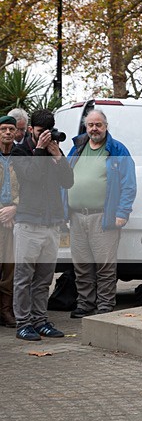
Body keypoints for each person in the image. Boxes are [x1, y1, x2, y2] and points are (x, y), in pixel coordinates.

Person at [64, 109, 136, 318]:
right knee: (82, 264)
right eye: (90, 125)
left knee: (105, 265)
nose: (94, 129)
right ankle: (85, 304)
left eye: (99, 125)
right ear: (86, 127)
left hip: (103, 216)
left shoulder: (117, 149)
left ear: (106, 126)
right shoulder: (77, 148)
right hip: (77, 216)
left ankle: (104, 304)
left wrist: (122, 212)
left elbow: (129, 184)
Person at [11, 109, 74, 341]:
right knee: (23, 277)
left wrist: (58, 157)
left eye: (47, 133)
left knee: (44, 279)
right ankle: (23, 323)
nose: (45, 137)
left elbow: (68, 182)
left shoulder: (53, 150)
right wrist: (39, 150)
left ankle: (40, 320)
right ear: (30, 130)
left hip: (52, 223)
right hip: (28, 223)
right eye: (39, 133)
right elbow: (32, 177)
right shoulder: (20, 150)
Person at [0, 116, 19, 327]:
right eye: (3, 128)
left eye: (11, 129)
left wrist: (14, 208)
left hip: (14, 220)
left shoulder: (20, 156)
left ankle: (6, 310)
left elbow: (29, 187)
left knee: (10, 267)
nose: (7, 132)